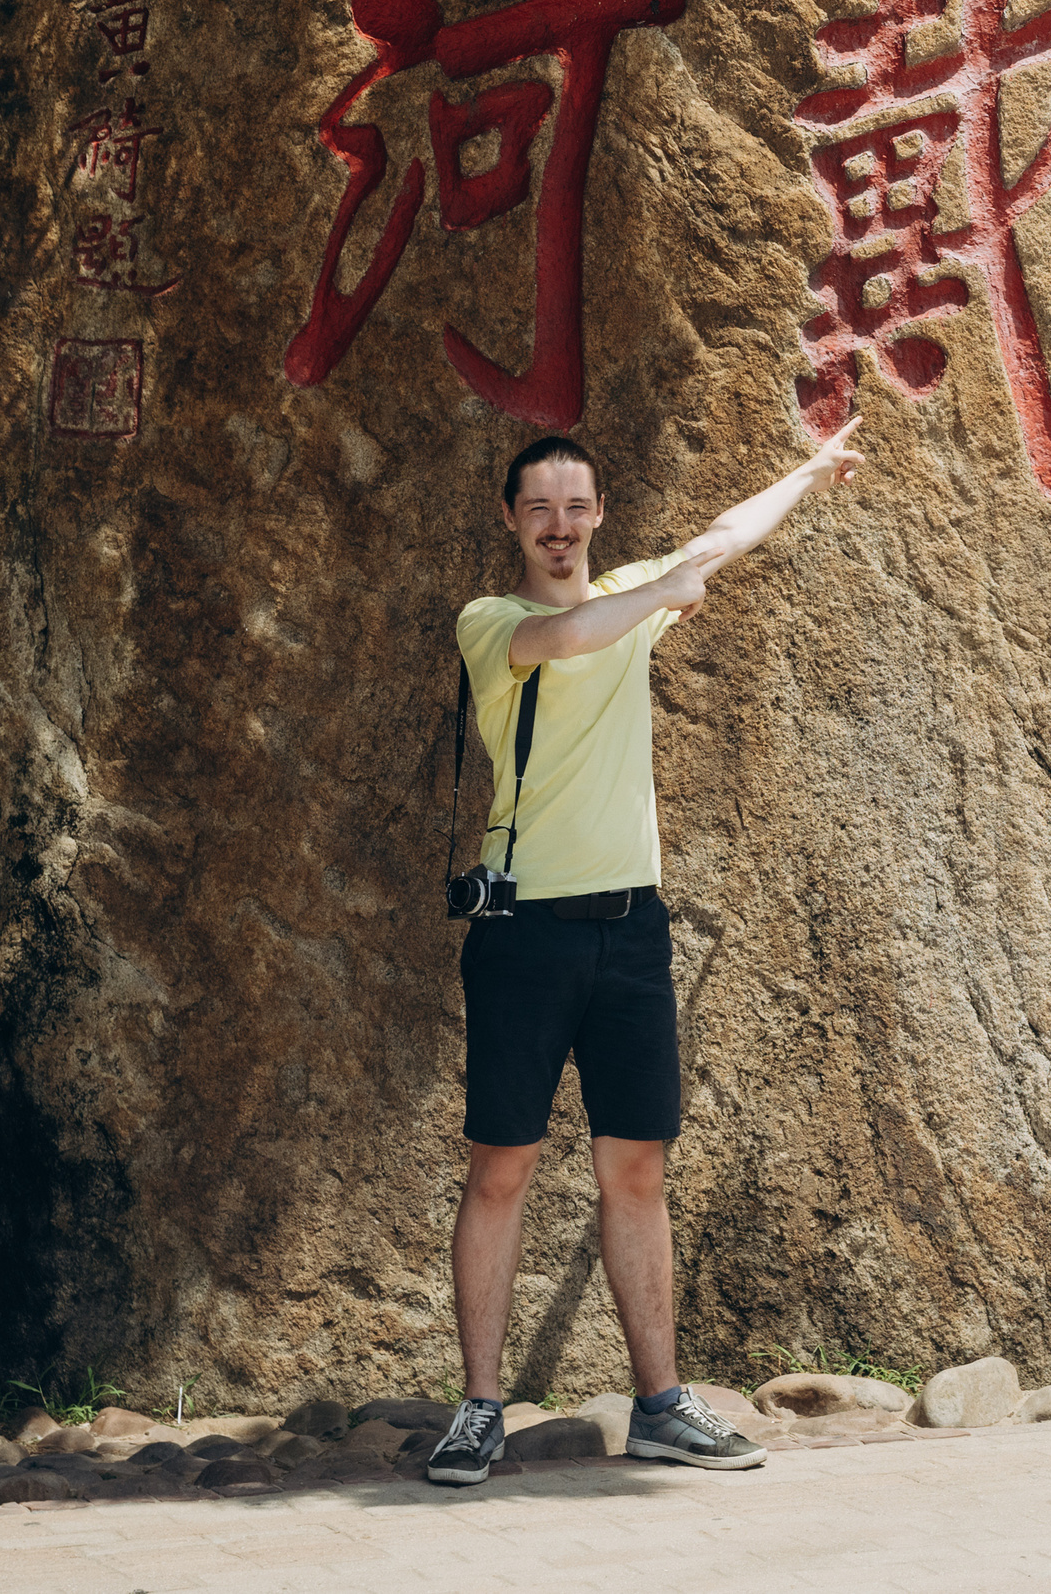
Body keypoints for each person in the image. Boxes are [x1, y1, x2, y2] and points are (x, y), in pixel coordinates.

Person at [422, 419, 865, 1489]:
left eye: (576, 506)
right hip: (524, 933)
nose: (559, 525)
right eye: (540, 508)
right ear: (511, 519)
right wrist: (665, 590)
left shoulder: (632, 594)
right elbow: (573, 635)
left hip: (631, 930)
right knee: (501, 1168)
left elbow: (721, 538)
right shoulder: (493, 621)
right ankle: (479, 1408)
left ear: (599, 513)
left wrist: (807, 473)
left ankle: (661, 1406)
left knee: (637, 1171)